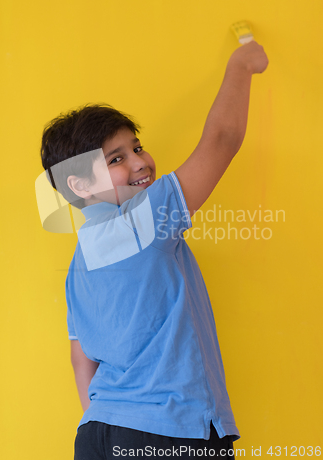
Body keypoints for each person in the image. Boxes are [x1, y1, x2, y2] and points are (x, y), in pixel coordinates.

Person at [40, 40, 268, 459]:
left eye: (137, 147)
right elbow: (222, 139)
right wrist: (242, 64)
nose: (141, 161)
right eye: (116, 159)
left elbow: (81, 359)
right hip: (170, 432)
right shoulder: (148, 217)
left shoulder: (80, 262)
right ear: (80, 186)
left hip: (98, 432)